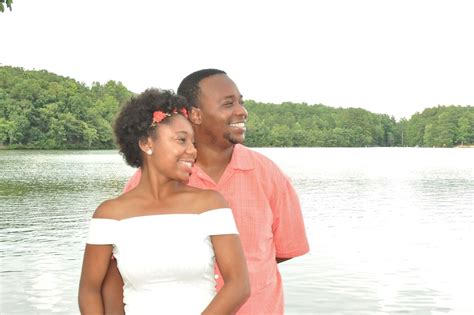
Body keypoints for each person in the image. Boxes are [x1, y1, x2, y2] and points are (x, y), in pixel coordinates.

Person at [103, 69, 310, 314]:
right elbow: (120, 265)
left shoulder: (268, 174)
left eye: (240, 102)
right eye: (228, 103)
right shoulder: (148, 181)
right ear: (195, 115)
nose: (242, 111)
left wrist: (242, 268)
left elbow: (283, 250)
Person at [78, 89, 250, 314]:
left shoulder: (210, 204)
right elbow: (90, 290)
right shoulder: (109, 214)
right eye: (181, 140)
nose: (192, 151)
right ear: (146, 142)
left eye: (193, 142)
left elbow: (239, 285)